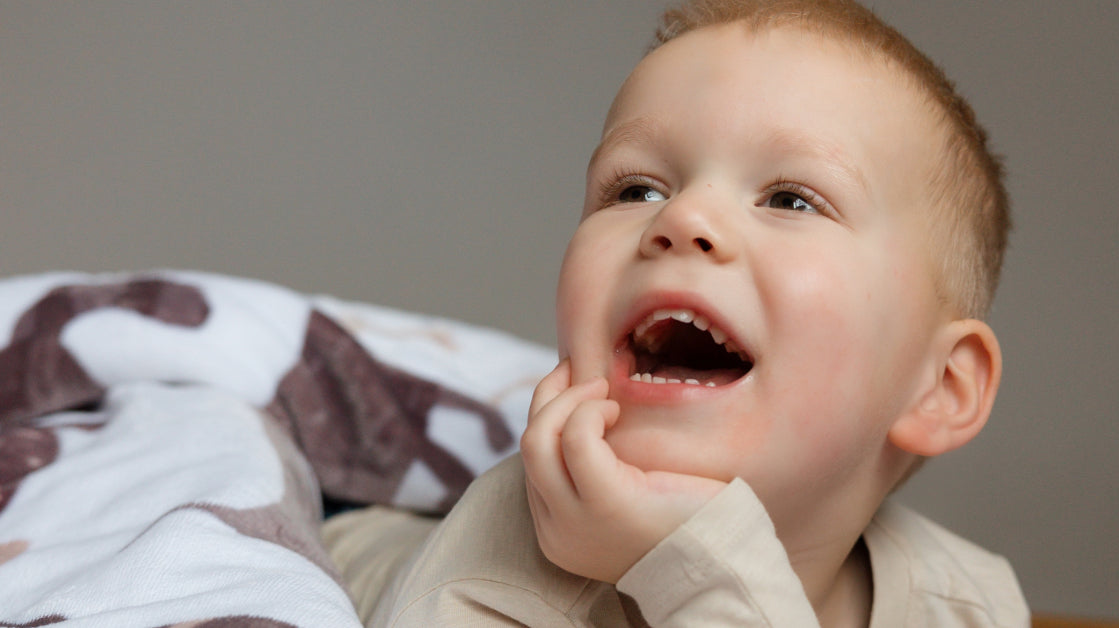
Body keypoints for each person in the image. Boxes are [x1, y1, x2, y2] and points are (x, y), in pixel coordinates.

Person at [324, 0, 1029, 625]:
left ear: (938, 388)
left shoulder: (966, 606)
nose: (684, 215)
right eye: (635, 189)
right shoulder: (492, 583)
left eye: (790, 199)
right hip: (351, 531)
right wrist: (695, 565)